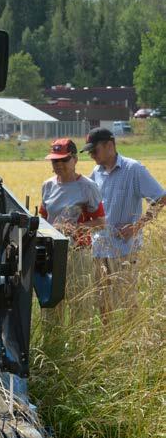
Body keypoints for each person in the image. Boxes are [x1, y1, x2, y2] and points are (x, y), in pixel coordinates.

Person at [80, 127, 166, 320]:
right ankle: (106, 338)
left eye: (94, 150)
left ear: (109, 146)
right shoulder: (96, 172)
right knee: (102, 300)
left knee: (127, 298)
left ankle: (129, 339)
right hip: (99, 246)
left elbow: (161, 197)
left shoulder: (133, 169)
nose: (92, 155)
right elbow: (90, 204)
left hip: (125, 248)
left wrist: (136, 226)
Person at [39, 138, 106, 321]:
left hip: (78, 253)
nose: (59, 164)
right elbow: (42, 219)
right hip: (51, 254)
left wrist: (76, 227)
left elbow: (101, 221)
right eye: (55, 160)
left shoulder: (87, 186)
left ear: (75, 160)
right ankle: (53, 344)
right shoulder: (48, 185)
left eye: (64, 159)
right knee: (51, 306)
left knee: (79, 305)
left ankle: (80, 346)